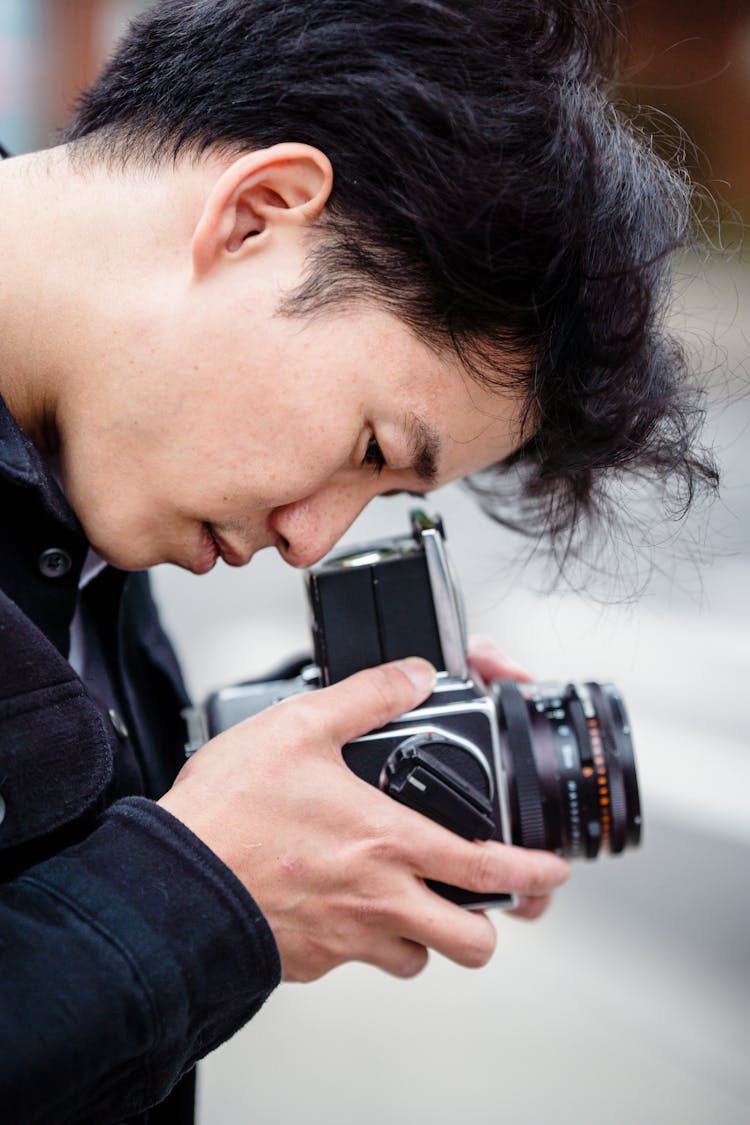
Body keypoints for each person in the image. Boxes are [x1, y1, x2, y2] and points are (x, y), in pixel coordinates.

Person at [0, 1, 717, 1122]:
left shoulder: (89, 500)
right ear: (261, 215)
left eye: (385, 496)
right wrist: (197, 888)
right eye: (371, 449)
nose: (309, 539)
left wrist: (267, 778)